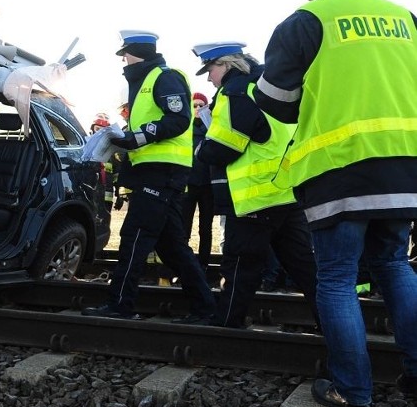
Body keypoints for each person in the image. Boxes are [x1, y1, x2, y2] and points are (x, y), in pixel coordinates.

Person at [254, 0, 417, 407]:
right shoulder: (404, 18)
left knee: (337, 279)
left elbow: (275, 101)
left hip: (339, 170)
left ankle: (354, 392)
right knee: (395, 266)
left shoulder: (308, 20)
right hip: (405, 169)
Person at [82, 30, 215, 323]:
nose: (124, 61)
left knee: (135, 235)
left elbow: (178, 120)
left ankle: (120, 304)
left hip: (162, 170)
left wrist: (136, 138)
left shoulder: (164, 78)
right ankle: (206, 307)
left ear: (138, 52)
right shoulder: (145, 83)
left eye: (125, 55)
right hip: (154, 171)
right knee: (170, 245)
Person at [192, 42, 319, 331]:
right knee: (305, 268)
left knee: (240, 266)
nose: (209, 78)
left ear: (226, 64)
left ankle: (227, 325)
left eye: (210, 69)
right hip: (286, 191)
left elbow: (226, 147)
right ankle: (334, 327)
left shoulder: (235, 92)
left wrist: (201, 149)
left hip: (254, 195)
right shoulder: (268, 86)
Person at [181, 91, 215, 272]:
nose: (197, 108)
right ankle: (185, 265)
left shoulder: (213, 128)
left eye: (201, 105)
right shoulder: (185, 129)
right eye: (194, 105)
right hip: (189, 184)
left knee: (206, 228)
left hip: (208, 185)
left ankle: (204, 264)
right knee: (184, 226)